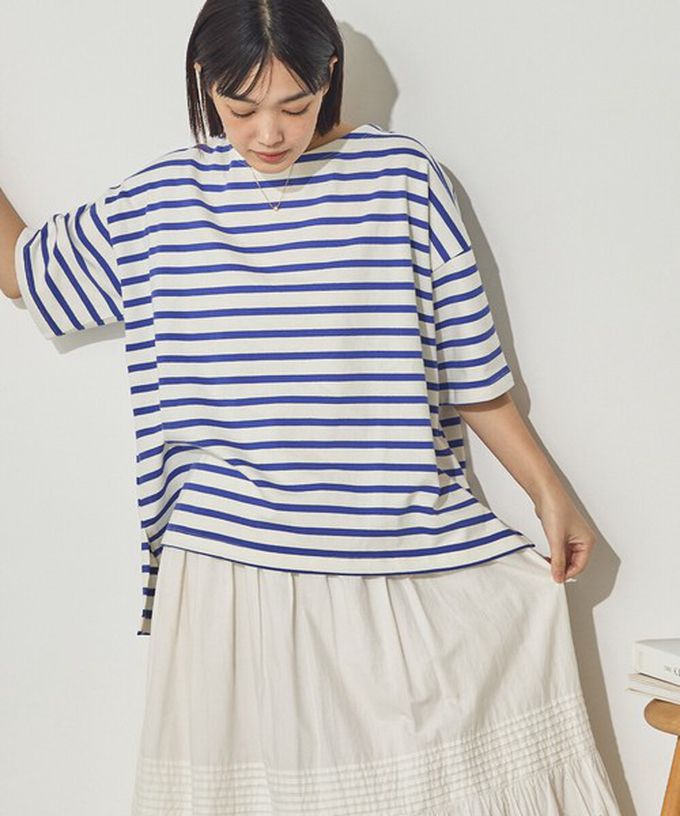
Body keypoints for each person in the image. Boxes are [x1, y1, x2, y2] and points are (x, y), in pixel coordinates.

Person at [0, 0, 624, 813]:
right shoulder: (160, 203)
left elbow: (471, 371)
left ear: (330, 76)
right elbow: (24, 271)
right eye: (240, 108)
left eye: (294, 105)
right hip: (231, 574)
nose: (269, 133)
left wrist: (548, 489)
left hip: (393, 551)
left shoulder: (401, 179)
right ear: (205, 81)